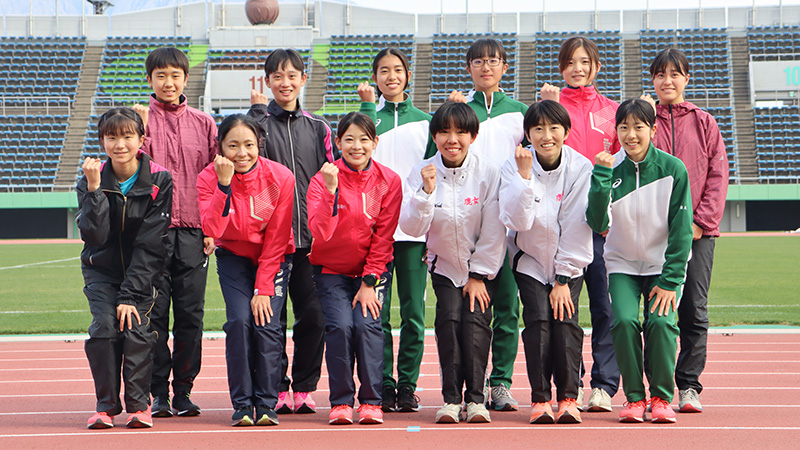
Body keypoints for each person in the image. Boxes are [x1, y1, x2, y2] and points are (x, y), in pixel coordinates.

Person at [586, 98, 693, 424]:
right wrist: (602, 176)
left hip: (662, 267)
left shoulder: (673, 169)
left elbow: (682, 230)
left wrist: (671, 280)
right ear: (616, 131)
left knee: (661, 323)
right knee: (624, 321)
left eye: (638, 127)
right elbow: (596, 221)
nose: (631, 134)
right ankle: (634, 398)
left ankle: (661, 397)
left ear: (653, 129)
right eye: (624, 127)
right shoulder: (609, 168)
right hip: (622, 265)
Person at [400, 102, 506, 424]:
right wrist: (426, 193)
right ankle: (450, 399)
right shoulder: (421, 171)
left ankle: (475, 400)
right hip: (444, 265)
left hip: (480, 269)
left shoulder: (488, 171)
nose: (452, 139)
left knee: (475, 327)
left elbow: (495, 227)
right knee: (447, 325)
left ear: (472, 136)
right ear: (435, 136)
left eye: (461, 132)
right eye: (444, 131)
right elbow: (412, 228)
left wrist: (478, 274)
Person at [248, 48, 337, 414]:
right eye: (277, 77)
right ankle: (277, 388)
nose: (285, 83)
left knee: (314, 317)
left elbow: (334, 179)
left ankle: (303, 386)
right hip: (272, 243)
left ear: (304, 79)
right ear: (268, 82)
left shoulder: (319, 128)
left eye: (292, 75)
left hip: (313, 243)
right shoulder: (258, 129)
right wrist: (255, 112)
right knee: (273, 319)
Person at [133, 47, 218, 418]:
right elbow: (133, 171)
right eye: (161, 76)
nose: (169, 83)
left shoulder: (204, 124)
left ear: (186, 79)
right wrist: (139, 131)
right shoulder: (136, 121)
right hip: (151, 233)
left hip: (194, 234)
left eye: (175, 75)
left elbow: (217, 180)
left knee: (191, 316)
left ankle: (183, 390)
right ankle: (158, 393)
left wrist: (213, 228)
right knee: (153, 317)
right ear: (149, 79)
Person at [643, 48, 729, 413]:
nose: (667, 81)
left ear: (686, 79)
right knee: (653, 314)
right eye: (660, 74)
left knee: (693, 309)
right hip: (652, 235)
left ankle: (689, 386)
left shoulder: (705, 122)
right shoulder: (644, 119)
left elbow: (718, 175)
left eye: (674, 74)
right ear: (653, 80)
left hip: (698, 233)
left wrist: (700, 223)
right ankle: (654, 389)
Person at [539, 36, 621, 412]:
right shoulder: (549, 110)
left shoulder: (613, 113)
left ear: (596, 66)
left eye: (585, 61)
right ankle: (569, 384)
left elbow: (623, 167)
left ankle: (604, 385)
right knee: (564, 312)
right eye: (570, 62)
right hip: (561, 230)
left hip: (603, 229)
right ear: (561, 68)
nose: (577, 68)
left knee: (605, 309)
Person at [197, 114, 295, 427]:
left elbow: (278, 236)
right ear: (220, 147)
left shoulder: (281, 177)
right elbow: (211, 227)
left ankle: (267, 405)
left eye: (249, 145)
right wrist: (223, 186)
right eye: (233, 145)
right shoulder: (207, 178)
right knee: (239, 323)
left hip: (273, 257)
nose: (242, 153)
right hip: (233, 257)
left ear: (259, 145)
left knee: (266, 325)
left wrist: (263, 288)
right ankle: (242, 405)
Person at [78, 107, 173, 429]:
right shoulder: (90, 180)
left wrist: (131, 295)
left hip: (142, 274)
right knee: (104, 329)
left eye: (127, 136)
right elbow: (95, 235)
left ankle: (139, 405)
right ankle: (105, 407)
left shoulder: (159, 181)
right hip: (101, 272)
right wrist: (94, 191)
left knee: (135, 329)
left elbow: (150, 244)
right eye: (112, 137)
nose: (120, 144)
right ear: (102, 141)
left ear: (141, 139)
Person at [499, 100, 593, 424]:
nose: (546, 135)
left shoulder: (581, 168)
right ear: (528, 134)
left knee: (566, 323)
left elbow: (578, 225)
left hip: (569, 261)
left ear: (566, 132)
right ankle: (540, 399)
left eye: (554, 128)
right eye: (538, 128)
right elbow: (516, 221)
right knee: (538, 322)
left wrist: (564, 279)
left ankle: (569, 397)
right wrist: (525, 180)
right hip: (529, 260)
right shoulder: (512, 166)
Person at [306, 111, 402, 426]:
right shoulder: (322, 179)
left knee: (367, 327)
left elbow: (384, 236)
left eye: (364, 139)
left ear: (375, 142)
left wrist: (370, 280)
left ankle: (372, 402)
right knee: (340, 328)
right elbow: (320, 231)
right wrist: (332, 191)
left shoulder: (389, 180)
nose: (356, 146)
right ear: (338, 142)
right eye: (349, 139)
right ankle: (341, 402)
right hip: (331, 271)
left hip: (371, 274)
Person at [356, 47, 437, 413]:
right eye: (384, 71)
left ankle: (407, 385)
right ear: (375, 77)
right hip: (375, 234)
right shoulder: (366, 122)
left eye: (398, 70)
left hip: (414, 233)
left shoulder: (426, 122)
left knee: (414, 315)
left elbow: (436, 177)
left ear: (407, 75)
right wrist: (369, 109)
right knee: (377, 315)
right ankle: (382, 384)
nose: (391, 76)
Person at [449, 38, 528, 411]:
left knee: (508, 308)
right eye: (478, 61)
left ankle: (501, 383)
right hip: (469, 224)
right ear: (469, 68)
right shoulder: (460, 111)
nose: (486, 67)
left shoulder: (520, 113)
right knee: (471, 311)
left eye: (493, 61)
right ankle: (474, 382)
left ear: (505, 67)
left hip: (511, 226)